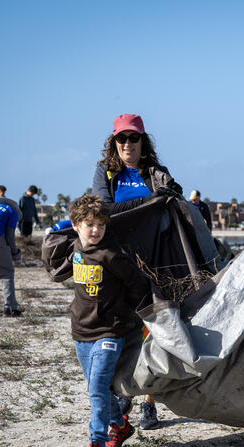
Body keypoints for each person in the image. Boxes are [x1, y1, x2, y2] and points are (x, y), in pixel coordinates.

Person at [92, 113, 183, 430]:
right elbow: (103, 209)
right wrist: (148, 204)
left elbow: (174, 204)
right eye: (121, 138)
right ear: (113, 143)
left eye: (133, 138)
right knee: (122, 330)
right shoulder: (106, 173)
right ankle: (123, 395)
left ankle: (149, 404)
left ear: (143, 142)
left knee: (152, 332)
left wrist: (163, 197)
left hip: (156, 263)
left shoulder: (156, 173)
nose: (127, 144)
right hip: (119, 264)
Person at [59, 194, 150, 447]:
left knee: (98, 386)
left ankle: (97, 446)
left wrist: (125, 314)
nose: (96, 230)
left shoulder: (111, 254)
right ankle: (121, 426)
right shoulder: (75, 248)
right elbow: (57, 267)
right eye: (90, 224)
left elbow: (139, 284)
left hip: (110, 332)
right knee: (94, 388)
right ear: (76, 225)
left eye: (101, 224)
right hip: (81, 331)